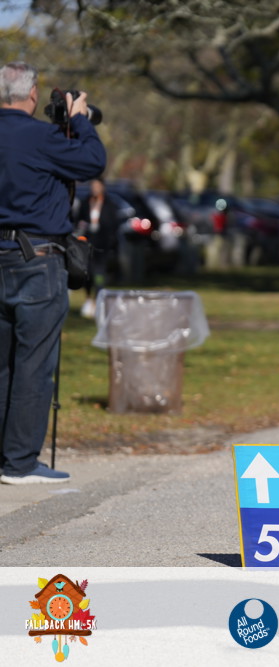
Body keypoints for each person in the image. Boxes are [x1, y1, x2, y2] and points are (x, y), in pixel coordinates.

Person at [0, 62, 106, 484]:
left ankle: (5, 457)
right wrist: (79, 119)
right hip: (37, 261)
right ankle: (20, 463)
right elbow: (93, 161)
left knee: (3, 364)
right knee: (33, 363)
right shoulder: (41, 137)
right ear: (32, 95)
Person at [78, 178, 118, 318]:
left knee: (100, 274)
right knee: (88, 273)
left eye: (97, 186)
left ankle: (99, 298)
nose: (94, 189)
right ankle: (89, 299)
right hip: (88, 243)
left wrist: (111, 242)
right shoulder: (85, 203)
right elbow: (79, 221)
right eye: (92, 186)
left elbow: (113, 225)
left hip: (102, 245)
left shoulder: (109, 204)